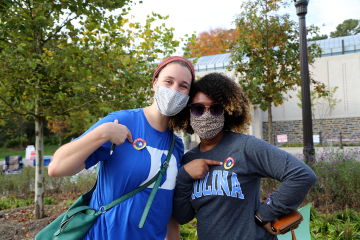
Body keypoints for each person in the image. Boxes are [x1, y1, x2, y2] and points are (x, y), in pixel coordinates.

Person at [48, 56, 195, 240]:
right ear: (155, 83)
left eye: (183, 86)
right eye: (168, 81)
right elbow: (57, 167)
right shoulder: (121, 121)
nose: (174, 90)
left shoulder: (177, 146)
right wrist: (103, 133)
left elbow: (168, 208)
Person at [171, 72, 317, 240]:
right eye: (198, 109)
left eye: (215, 109)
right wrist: (183, 176)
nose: (206, 115)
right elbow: (183, 217)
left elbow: (302, 175)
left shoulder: (245, 146)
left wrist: (264, 214)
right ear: (188, 114)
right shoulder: (188, 160)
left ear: (227, 112)